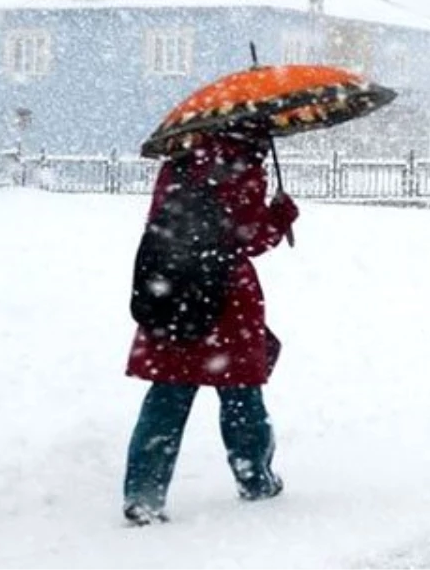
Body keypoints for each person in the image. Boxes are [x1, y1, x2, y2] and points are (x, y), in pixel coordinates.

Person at [122, 133, 298, 526]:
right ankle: (256, 479)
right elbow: (249, 238)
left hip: (174, 289)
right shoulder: (242, 165)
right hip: (225, 297)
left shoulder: (179, 161)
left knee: (167, 395)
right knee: (241, 394)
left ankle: (143, 494)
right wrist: (280, 216)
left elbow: (160, 221)